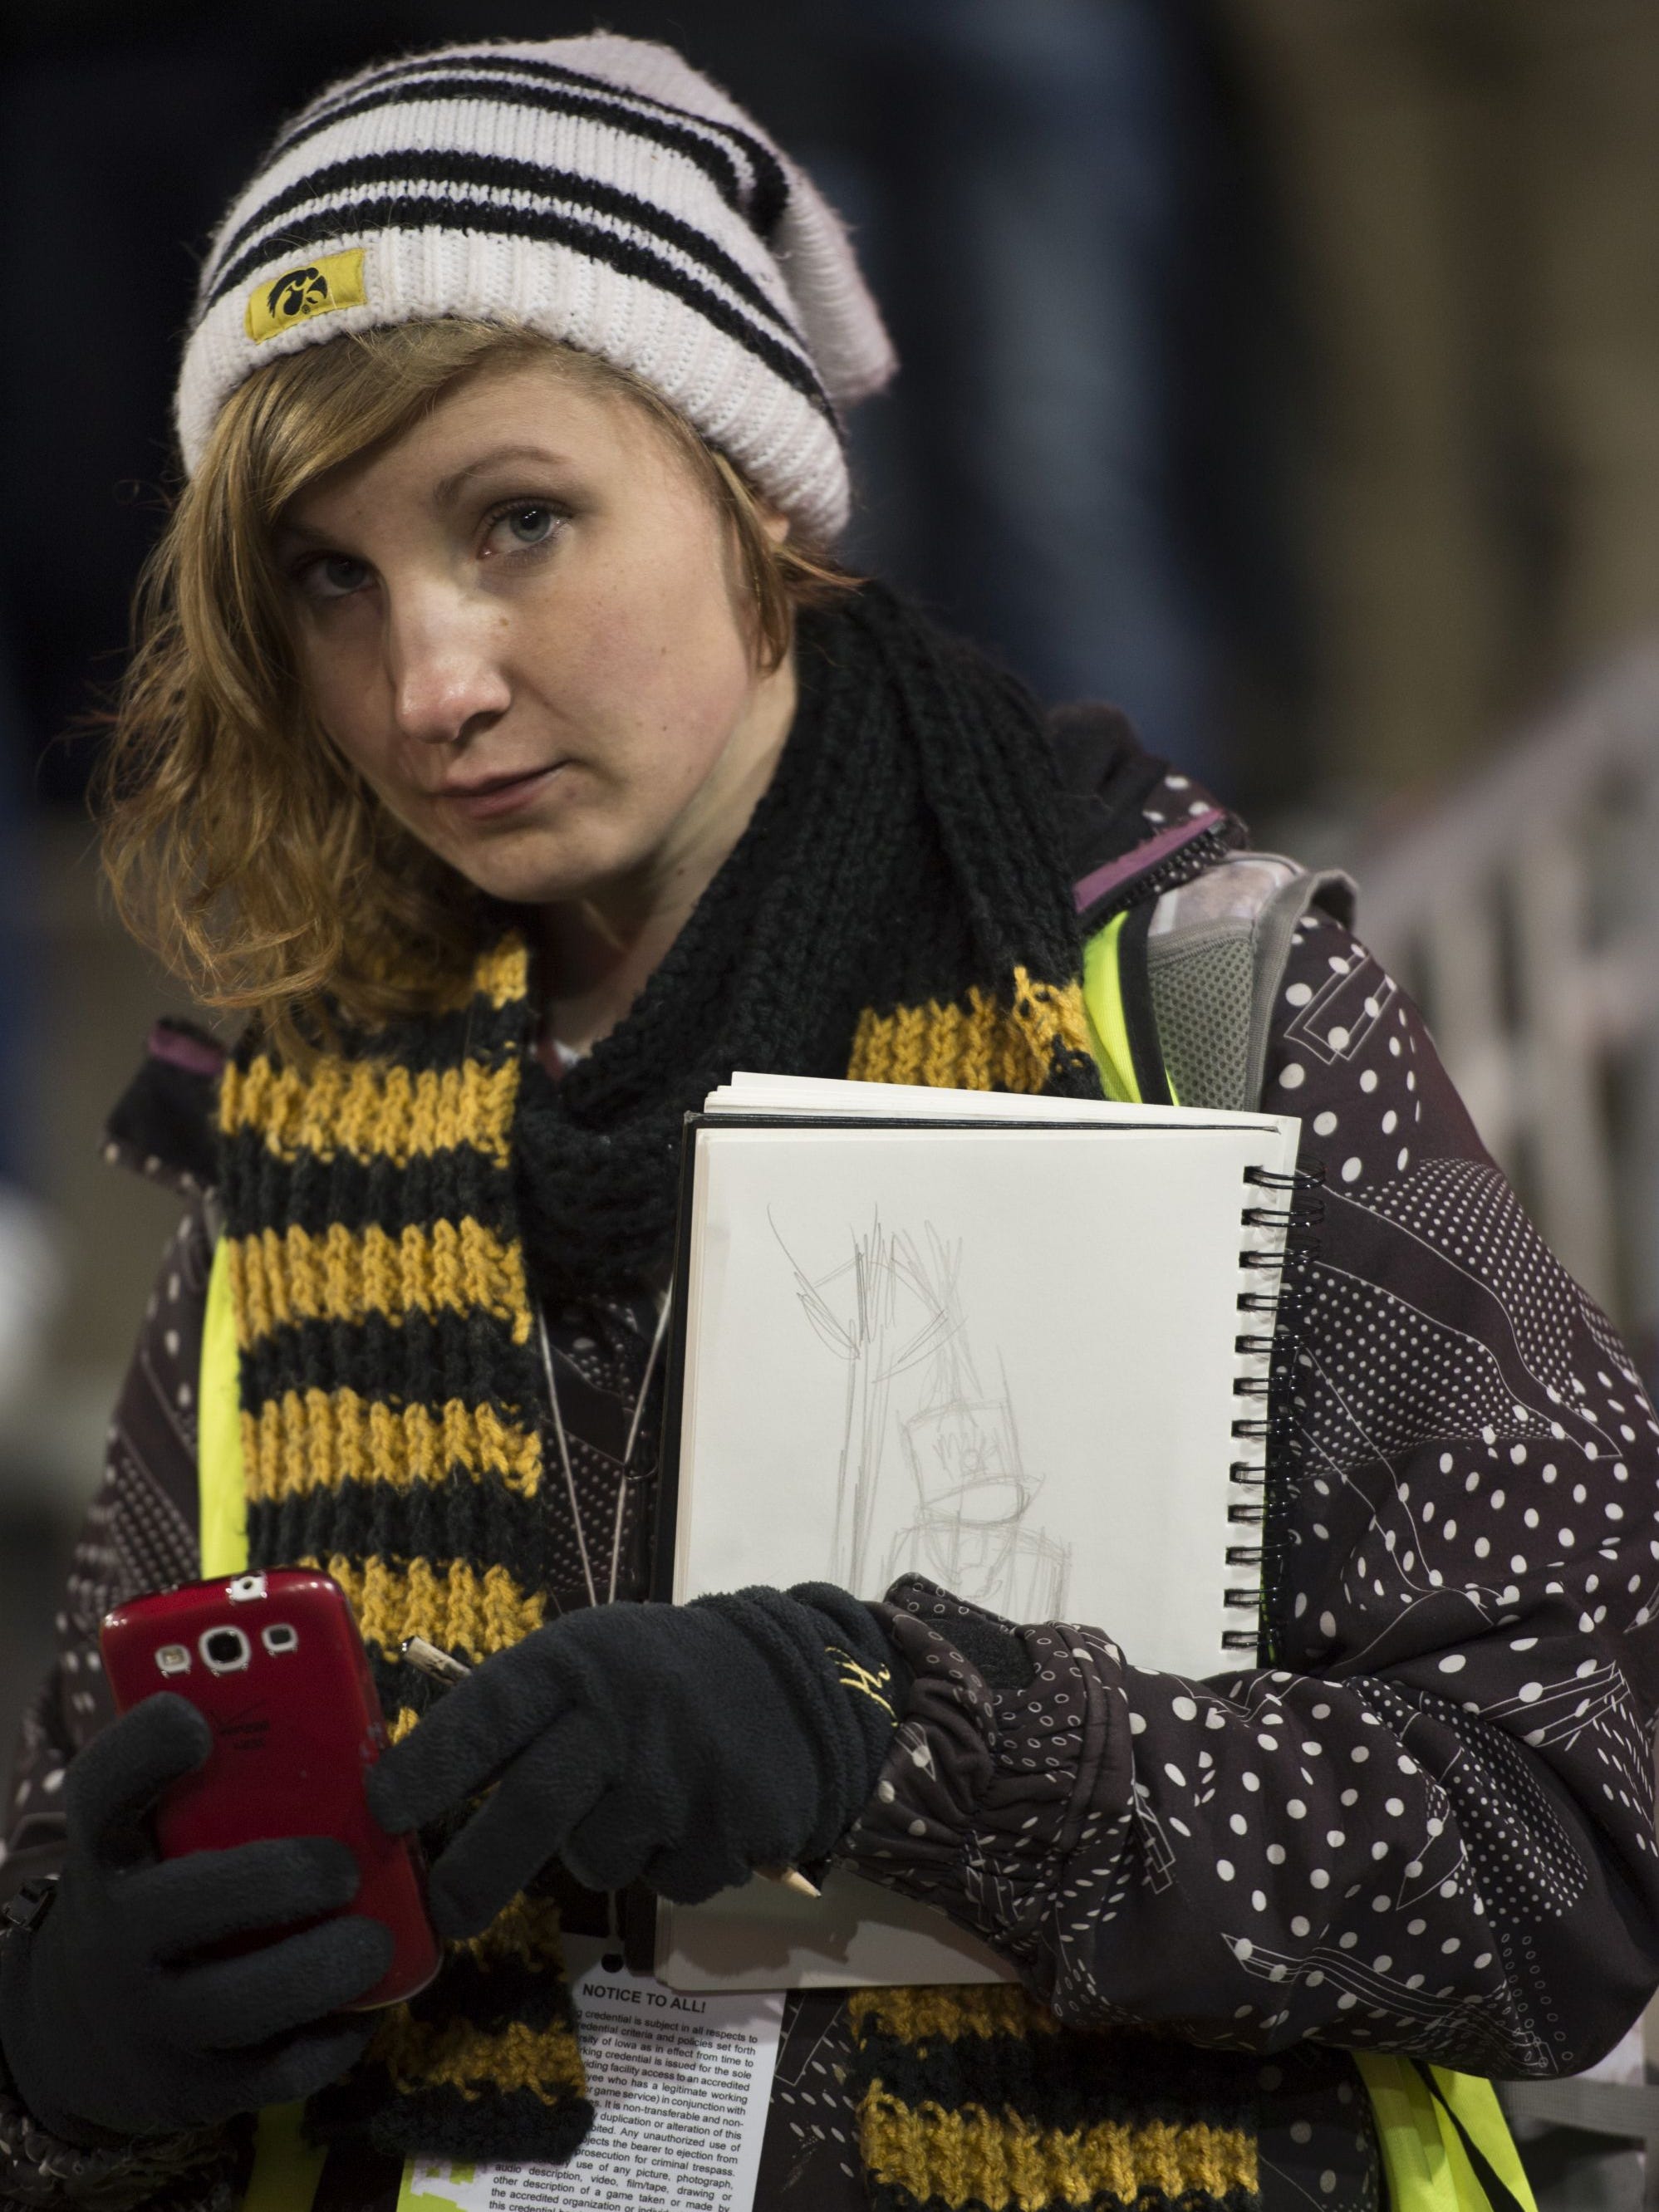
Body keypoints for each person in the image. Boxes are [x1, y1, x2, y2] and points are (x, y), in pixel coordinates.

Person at [2, 35, 1657, 2212]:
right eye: (332, 578)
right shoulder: (283, 1145)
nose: (429, 684)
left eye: (519, 523)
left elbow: (1571, 1841)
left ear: (753, 492)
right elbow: (80, 1866)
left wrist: (899, 1737)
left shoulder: (1188, 1011)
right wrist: (69, 2047)